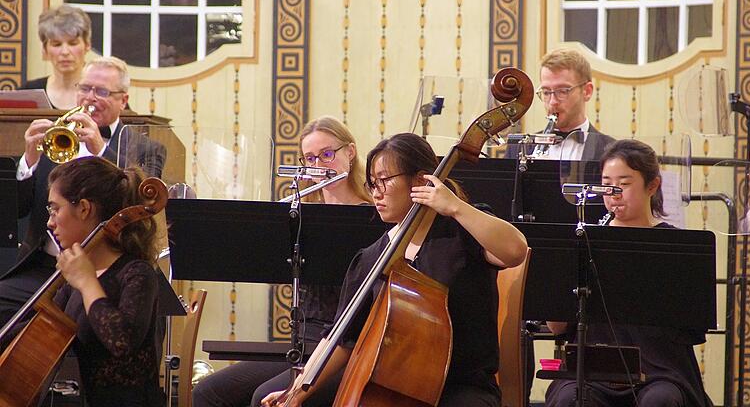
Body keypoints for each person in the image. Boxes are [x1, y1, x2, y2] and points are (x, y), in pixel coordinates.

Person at [260, 132, 529, 407]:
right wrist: (296, 393)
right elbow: (339, 337)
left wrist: (457, 208)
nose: (376, 192)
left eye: (385, 181)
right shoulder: (373, 257)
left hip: (462, 387)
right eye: (372, 183)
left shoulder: (461, 232)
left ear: (420, 181)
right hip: (394, 385)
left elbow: (516, 250)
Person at [192, 116, 372, 407]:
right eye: (310, 158)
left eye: (327, 155)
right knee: (208, 392)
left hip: (341, 349)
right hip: (301, 344)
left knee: (262, 398)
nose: (319, 165)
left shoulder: (371, 218)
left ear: (349, 152)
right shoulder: (300, 216)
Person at [544, 139, 713, 407]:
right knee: (569, 399)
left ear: (652, 185)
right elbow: (557, 327)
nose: (613, 193)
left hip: (659, 372)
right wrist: (558, 277)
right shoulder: (585, 240)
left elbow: (691, 325)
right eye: (606, 183)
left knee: (660, 400)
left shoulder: (677, 246)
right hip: (591, 374)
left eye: (623, 183)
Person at [0, 56, 166, 327]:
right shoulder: (57, 137)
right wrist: (29, 161)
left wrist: (102, 150)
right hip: (46, 268)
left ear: (123, 100)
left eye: (102, 92)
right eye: (85, 88)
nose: (90, 98)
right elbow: (17, 210)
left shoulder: (147, 149)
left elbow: (141, 200)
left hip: (107, 272)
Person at [47, 156, 164, 406]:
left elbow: (122, 342)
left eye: (56, 209)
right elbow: (36, 329)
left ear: (84, 209)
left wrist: (87, 281)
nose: (50, 221)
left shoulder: (137, 273)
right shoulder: (73, 280)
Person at [506, 48, 614, 161]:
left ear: (587, 91)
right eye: (546, 92)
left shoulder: (611, 151)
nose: (552, 102)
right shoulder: (518, 148)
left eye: (563, 91)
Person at [21, 5, 91, 109]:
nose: (65, 52)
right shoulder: (27, 94)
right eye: (56, 44)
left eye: (73, 43)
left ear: (87, 45)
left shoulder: (103, 95)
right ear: (45, 49)